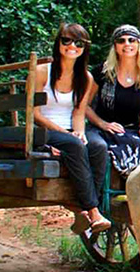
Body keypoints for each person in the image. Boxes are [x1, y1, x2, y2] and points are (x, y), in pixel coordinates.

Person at [34, 23, 111, 233]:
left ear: (84, 47)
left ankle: (82, 212)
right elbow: (35, 114)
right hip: (45, 130)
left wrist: (81, 132)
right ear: (58, 43)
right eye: (66, 40)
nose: (72, 46)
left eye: (78, 43)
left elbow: (79, 112)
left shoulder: (86, 78)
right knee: (75, 145)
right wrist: (64, 133)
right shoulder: (42, 72)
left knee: (98, 147)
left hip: (70, 131)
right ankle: (92, 211)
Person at [87, 24, 140, 177]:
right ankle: (110, 195)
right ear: (115, 46)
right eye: (121, 41)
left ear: (138, 45)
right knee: (117, 148)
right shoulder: (102, 73)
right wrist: (103, 123)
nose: (127, 44)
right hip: (103, 130)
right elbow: (84, 106)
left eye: (132, 40)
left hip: (133, 130)